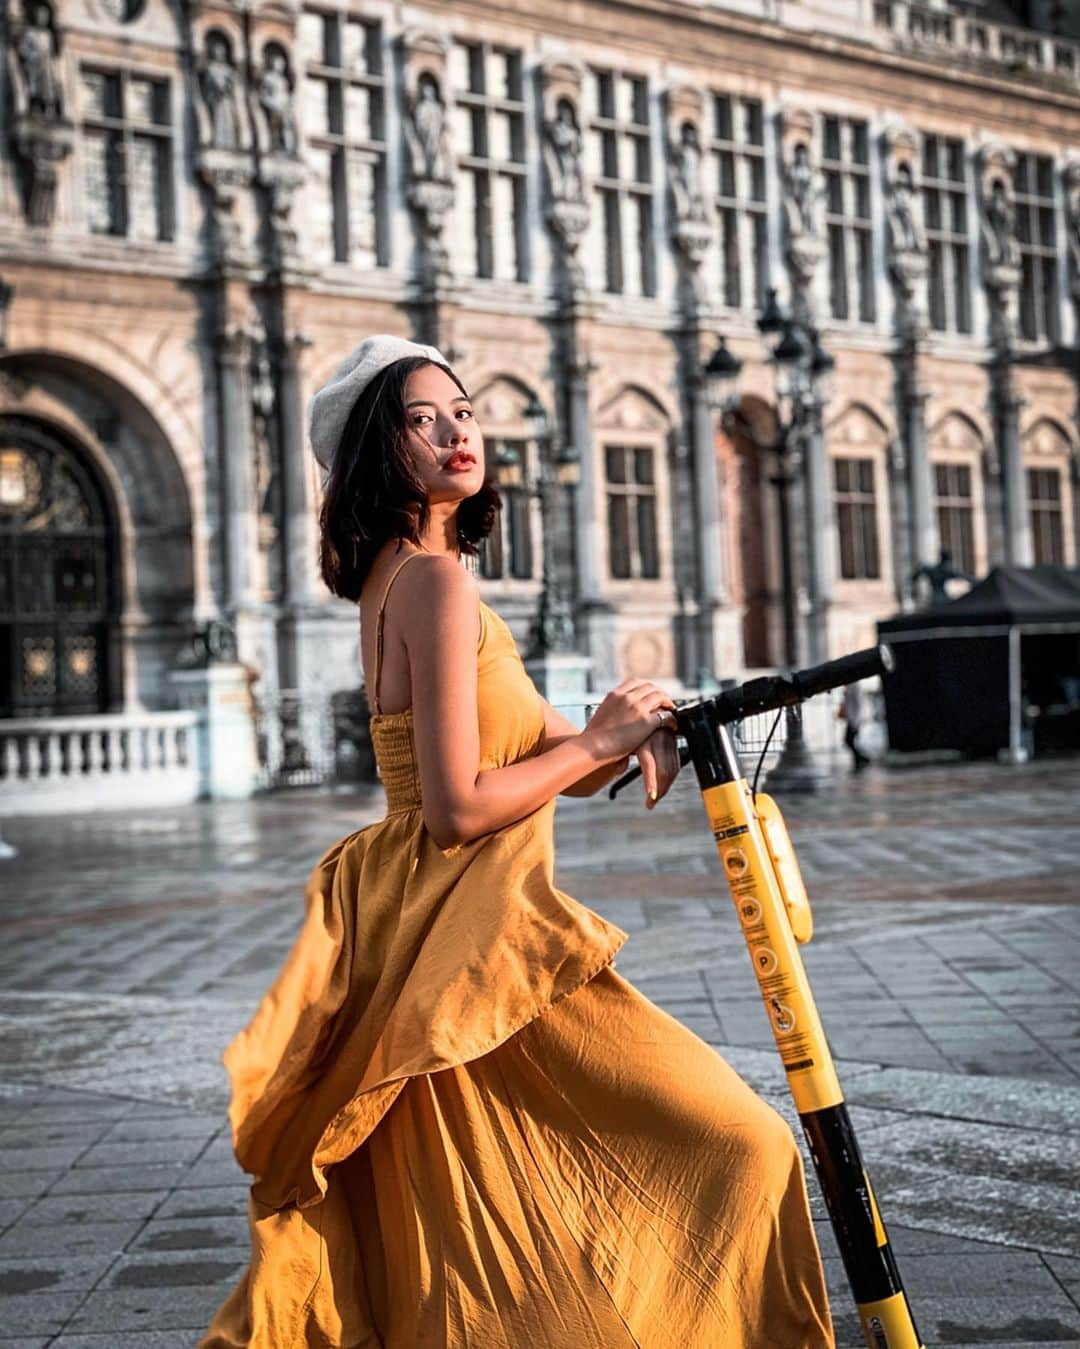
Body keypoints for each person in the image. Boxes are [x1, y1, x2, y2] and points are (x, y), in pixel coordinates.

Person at [200, 335, 835, 1349]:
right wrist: (597, 737)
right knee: (741, 1140)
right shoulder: (435, 586)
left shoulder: (407, 577)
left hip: (439, 928)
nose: (458, 431)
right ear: (378, 446)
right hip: (476, 938)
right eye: (423, 417)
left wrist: (633, 732)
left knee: (481, 1219)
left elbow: (537, 757)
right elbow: (458, 803)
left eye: (465, 410)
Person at [840, 680, 871, 773]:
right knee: (850, 741)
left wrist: (855, 721)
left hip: (854, 719)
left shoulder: (853, 686)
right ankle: (860, 759)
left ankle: (861, 759)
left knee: (848, 740)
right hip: (853, 719)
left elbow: (857, 704)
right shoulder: (851, 686)